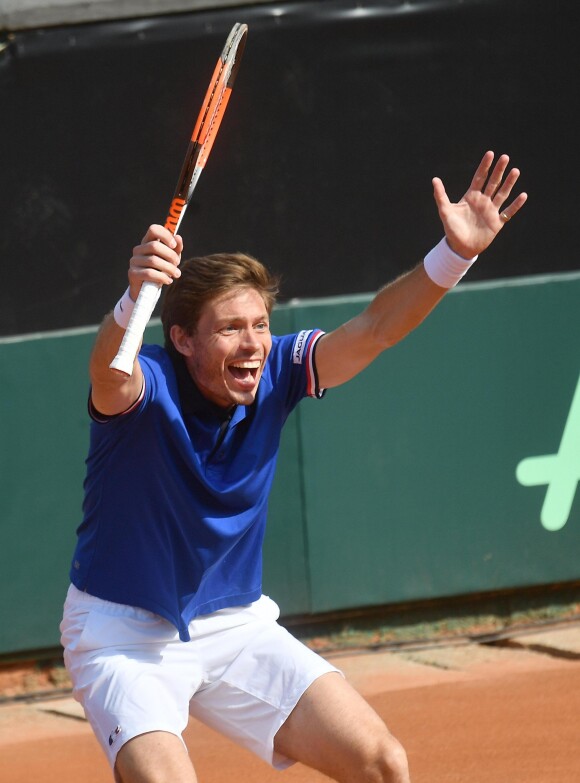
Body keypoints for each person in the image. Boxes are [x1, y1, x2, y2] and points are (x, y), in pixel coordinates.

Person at [60, 150, 527, 783]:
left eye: (260, 324)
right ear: (182, 339)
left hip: (234, 624)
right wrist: (131, 298)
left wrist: (454, 256)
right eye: (230, 329)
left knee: (382, 762)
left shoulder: (279, 367)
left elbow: (375, 330)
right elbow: (107, 372)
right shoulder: (145, 387)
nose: (253, 344)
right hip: (121, 634)